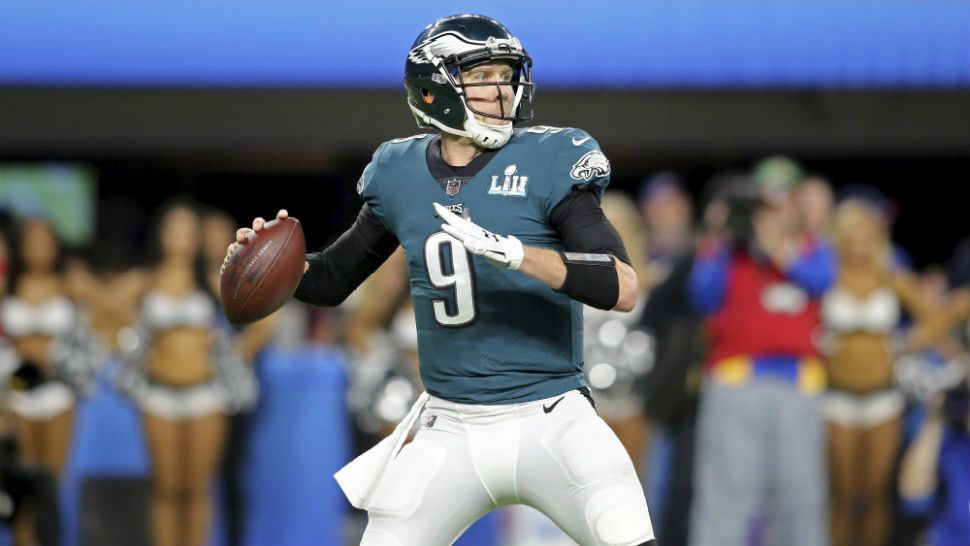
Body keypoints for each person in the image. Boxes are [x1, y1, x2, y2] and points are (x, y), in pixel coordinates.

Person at [226, 14, 656, 546]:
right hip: (449, 425)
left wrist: (518, 254)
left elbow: (621, 285)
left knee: (627, 534)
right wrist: (268, 265)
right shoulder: (398, 170)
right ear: (435, 89)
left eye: (507, 74)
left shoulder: (550, 156)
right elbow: (332, 280)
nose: (503, 90)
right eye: (483, 76)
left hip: (552, 415)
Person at [687, 173, 835, 546]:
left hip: (799, 385)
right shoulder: (731, 253)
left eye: (778, 206)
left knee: (801, 497)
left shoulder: (813, 248)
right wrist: (717, 237)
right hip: (737, 382)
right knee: (726, 495)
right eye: (763, 209)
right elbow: (701, 297)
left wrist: (777, 249)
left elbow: (821, 281)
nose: (770, 215)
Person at [115, 199, 256, 546]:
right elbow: (101, 306)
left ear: (198, 238)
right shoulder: (145, 281)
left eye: (189, 231)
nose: (181, 238)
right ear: (161, 235)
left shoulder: (215, 280)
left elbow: (267, 313)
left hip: (206, 395)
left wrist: (237, 351)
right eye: (173, 229)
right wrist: (128, 342)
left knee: (197, 490)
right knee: (165, 489)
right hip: (158, 394)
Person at [821, 199, 939, 546]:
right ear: (839, 239)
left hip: (883, 399)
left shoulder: (892, 276)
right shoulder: (827, 277)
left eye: (866, 236)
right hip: (837, 399)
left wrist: (906, 344)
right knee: (843, 498)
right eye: (852, 236)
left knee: (875, 497)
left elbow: (935, 315)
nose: (859, 245)